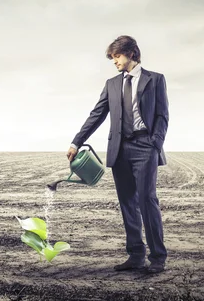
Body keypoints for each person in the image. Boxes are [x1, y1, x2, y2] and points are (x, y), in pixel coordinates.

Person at [67, 35, 169, 274]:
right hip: (119, 150)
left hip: (145, 147)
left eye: (118, 57)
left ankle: (158, 258)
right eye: (112, 58)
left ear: (131, 53)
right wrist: (76, 142)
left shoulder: (155, 79)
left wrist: (155, 144)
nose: (115, 62)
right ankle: (135, 256)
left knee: (147, 201)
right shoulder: (112, 84)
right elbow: (97, 115)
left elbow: (163, 116)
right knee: (127, 204)